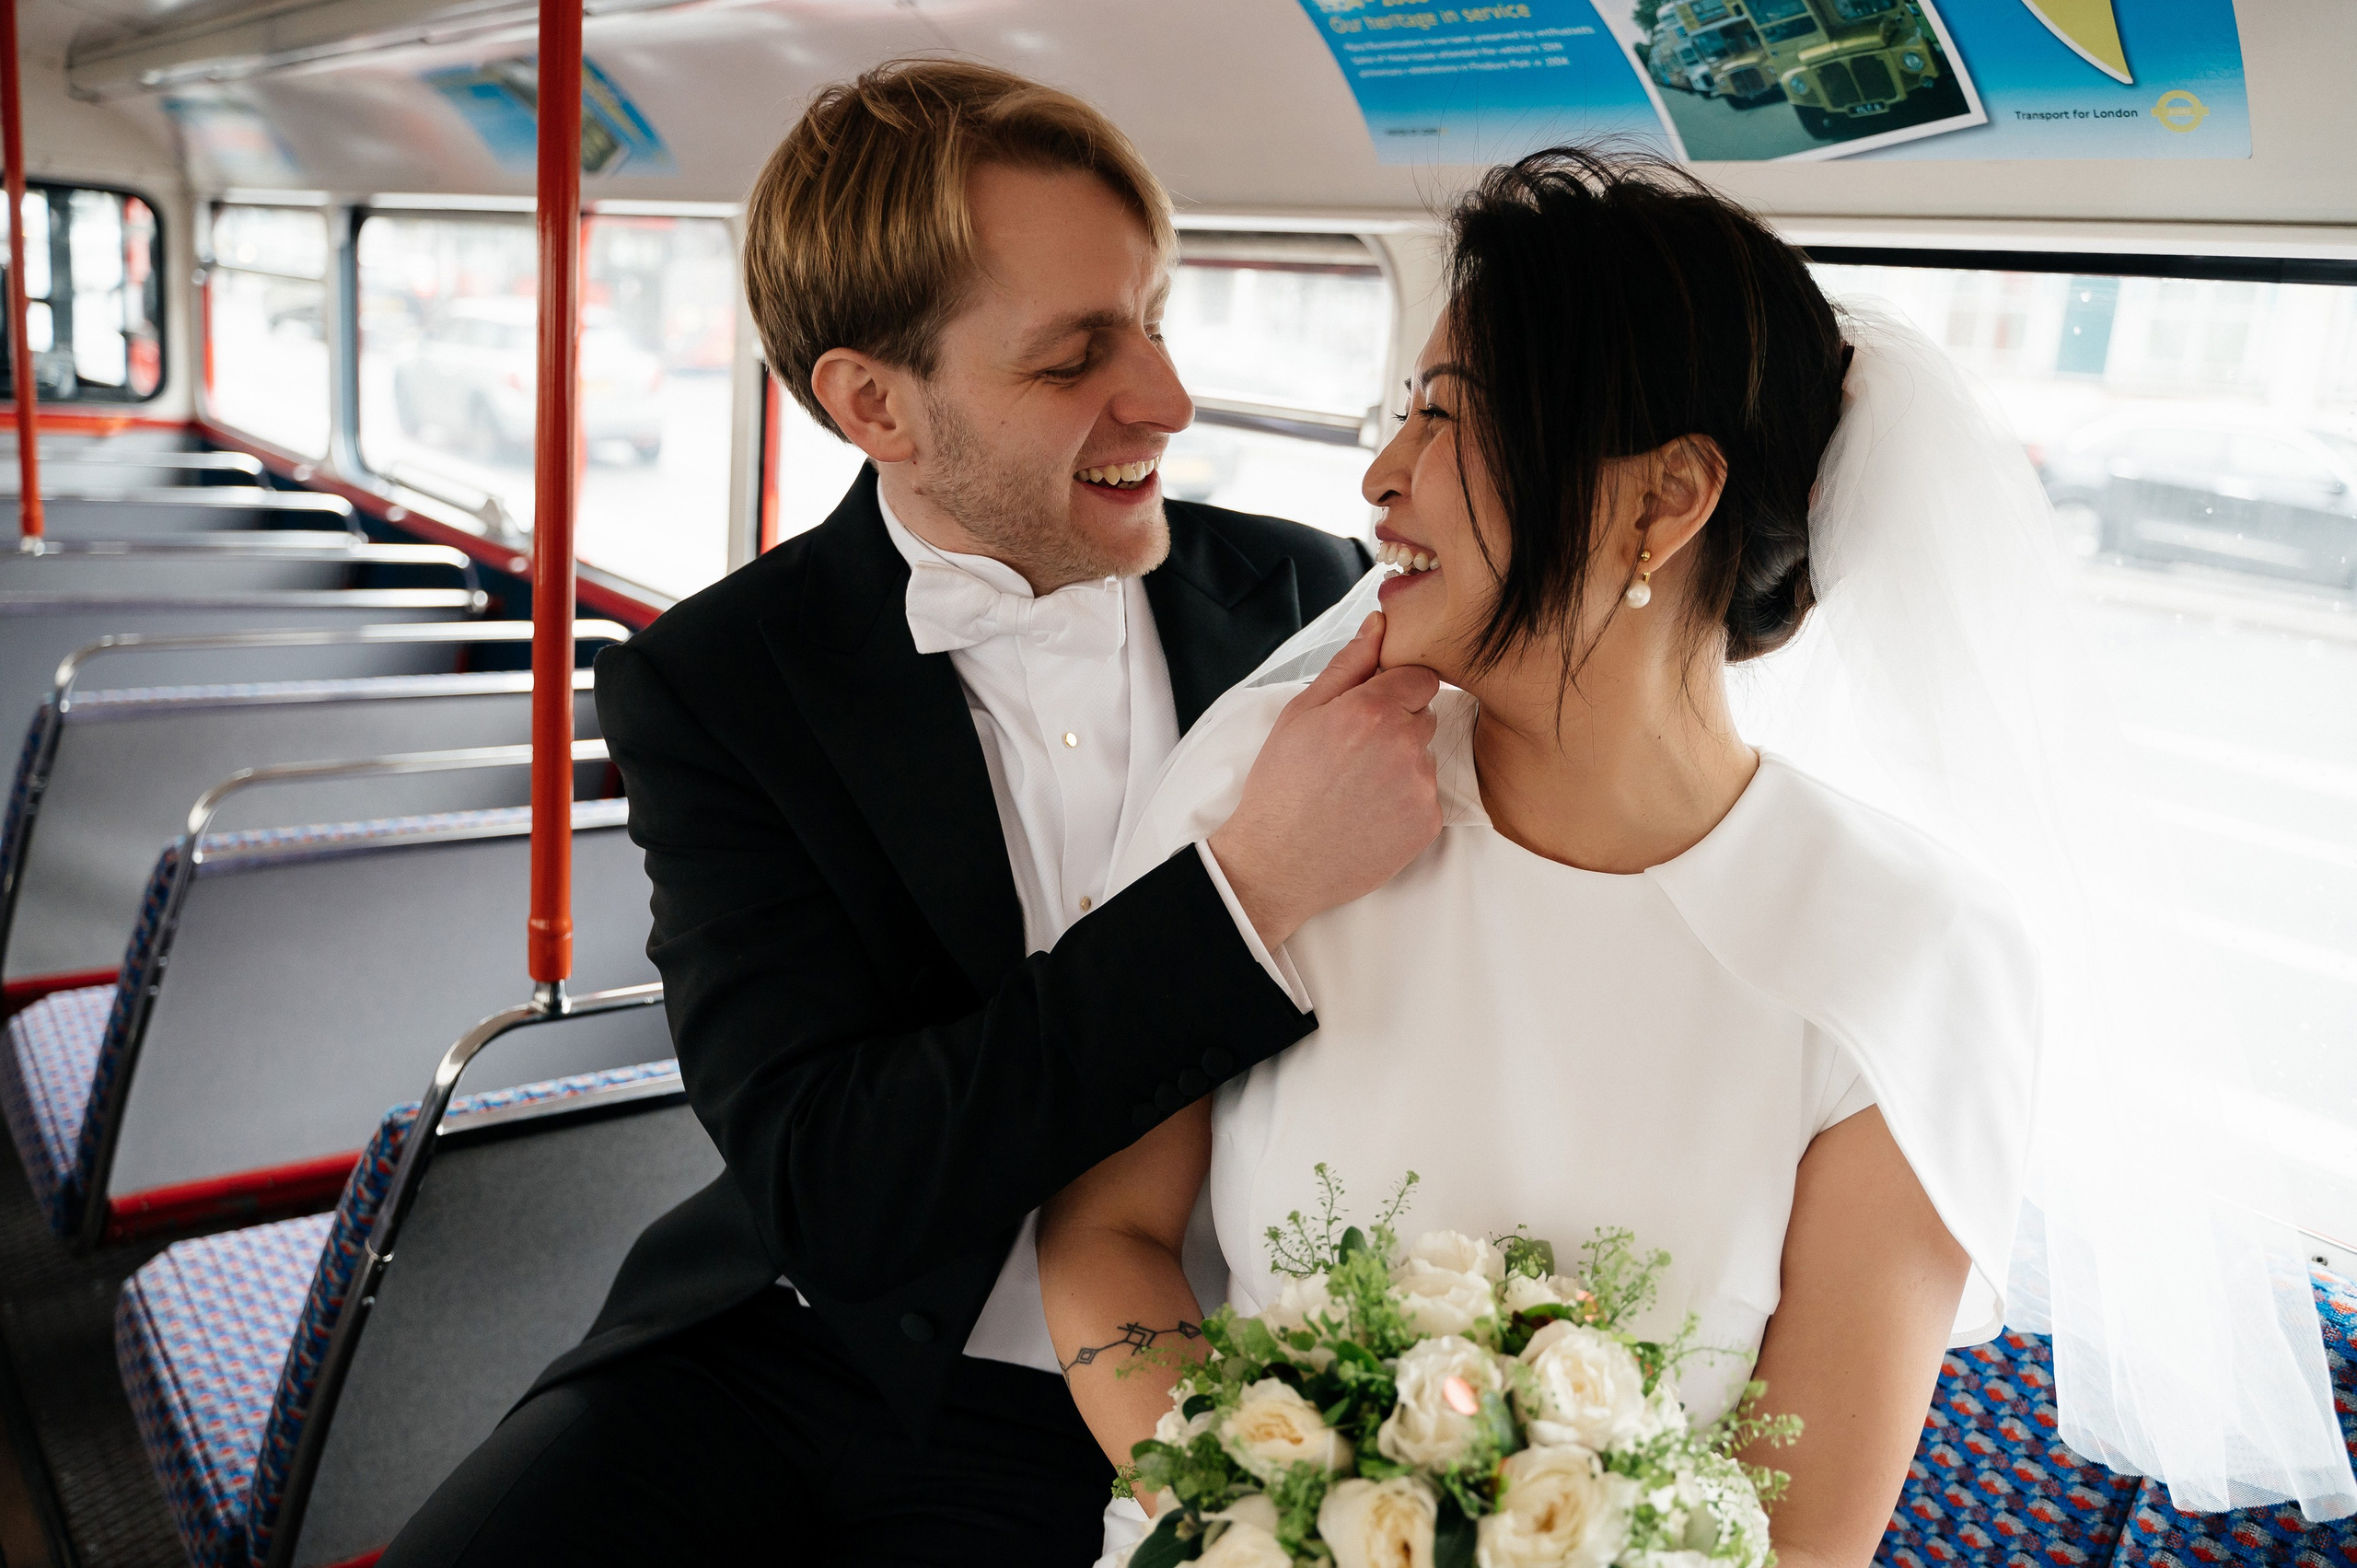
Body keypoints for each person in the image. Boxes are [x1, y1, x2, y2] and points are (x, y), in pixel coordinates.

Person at [379, 61, 1446, 1567]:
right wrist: (1243, 893)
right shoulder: (721, 681)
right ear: (875, 403)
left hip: (1157, 1382)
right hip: (793, 1334)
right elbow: (836, 1186)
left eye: (1155, 320)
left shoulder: (1316, 599)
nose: (1167, 399)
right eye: (1078, 354)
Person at [1037, 150, 2044, 1566]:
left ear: (1663, 500)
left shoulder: (1910, 955)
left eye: (1445, 419)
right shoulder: (1276, 790)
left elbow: (1801, 1533)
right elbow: (1105, 1241)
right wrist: (1264, 1523)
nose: (1380, 475)